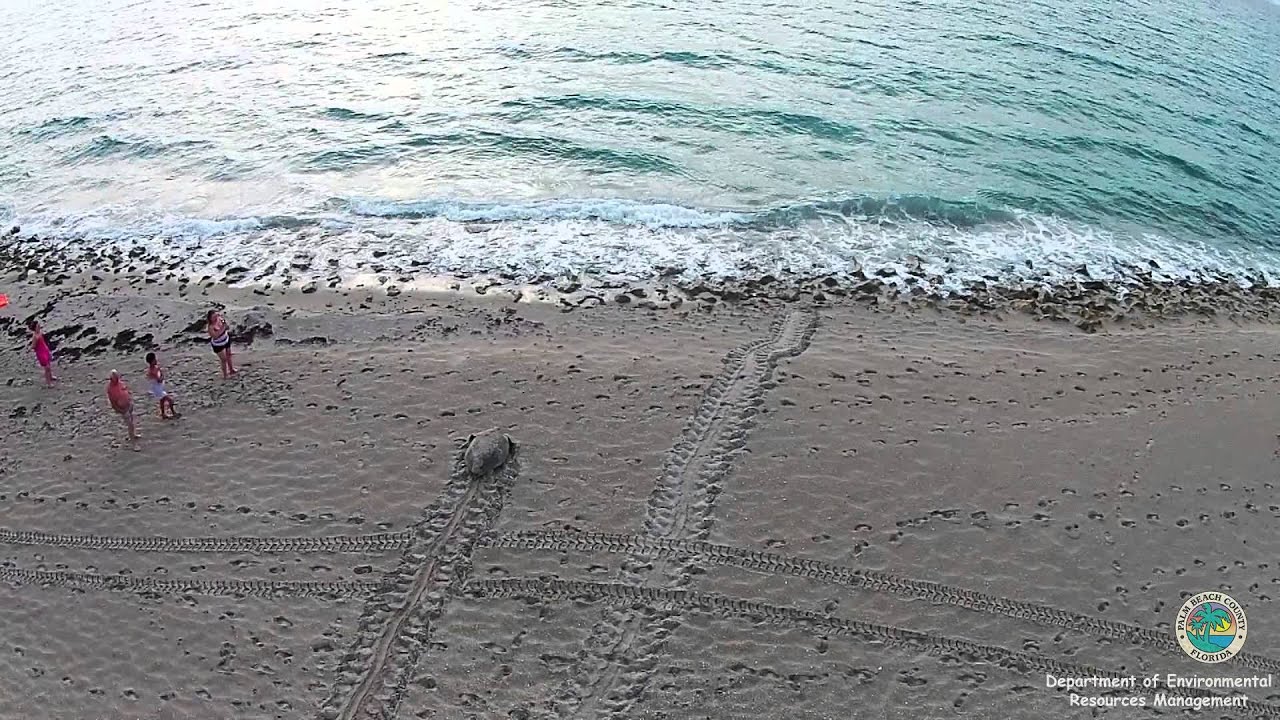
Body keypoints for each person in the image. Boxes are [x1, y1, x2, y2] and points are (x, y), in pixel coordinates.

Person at [107, 371, 140, 447]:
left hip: (129, 404)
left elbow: (126, 390)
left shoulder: (120, 383)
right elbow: (112, 401)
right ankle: (133, 444)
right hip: (122, 408)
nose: (117, 379)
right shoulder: (110, 389)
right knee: (130, 424)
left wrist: (130, 399)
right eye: (115, 378)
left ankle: (133, 434)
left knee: (132, 420)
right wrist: (118, 409)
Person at [145, 352, 178, 419]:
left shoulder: (156, 367)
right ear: (151, 362)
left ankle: (163, 414)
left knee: (162, 401)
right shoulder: (151, 371)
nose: (156, 360)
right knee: (170, 400)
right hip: (157, 389)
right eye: (155, 360)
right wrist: (162, 378)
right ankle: (173, 412)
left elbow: (160, 373)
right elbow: (158, 379)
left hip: (159, 387)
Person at [207, 309, 237, 379]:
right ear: (210, 318)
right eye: (213, 317)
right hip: (218, 344)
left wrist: (225, 324)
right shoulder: (210, 327)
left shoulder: (220, 319)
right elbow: (215, 336)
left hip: (226, 339)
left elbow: (226, 325)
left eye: (216, 316)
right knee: (223, 359)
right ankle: (225, 375)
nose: (215, 318)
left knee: (229, 355)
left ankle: (231, 369)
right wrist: (223, 328)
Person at [29, 320, 57, 387]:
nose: (39, 326)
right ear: (35, 327)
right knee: (46, 368)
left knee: (49, 365)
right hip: (41, 353)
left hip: (45, 350)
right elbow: (33, 346)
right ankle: (48, 383)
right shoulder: (35, 336)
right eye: (38, 326)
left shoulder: (40, 333)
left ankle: (51, 377)